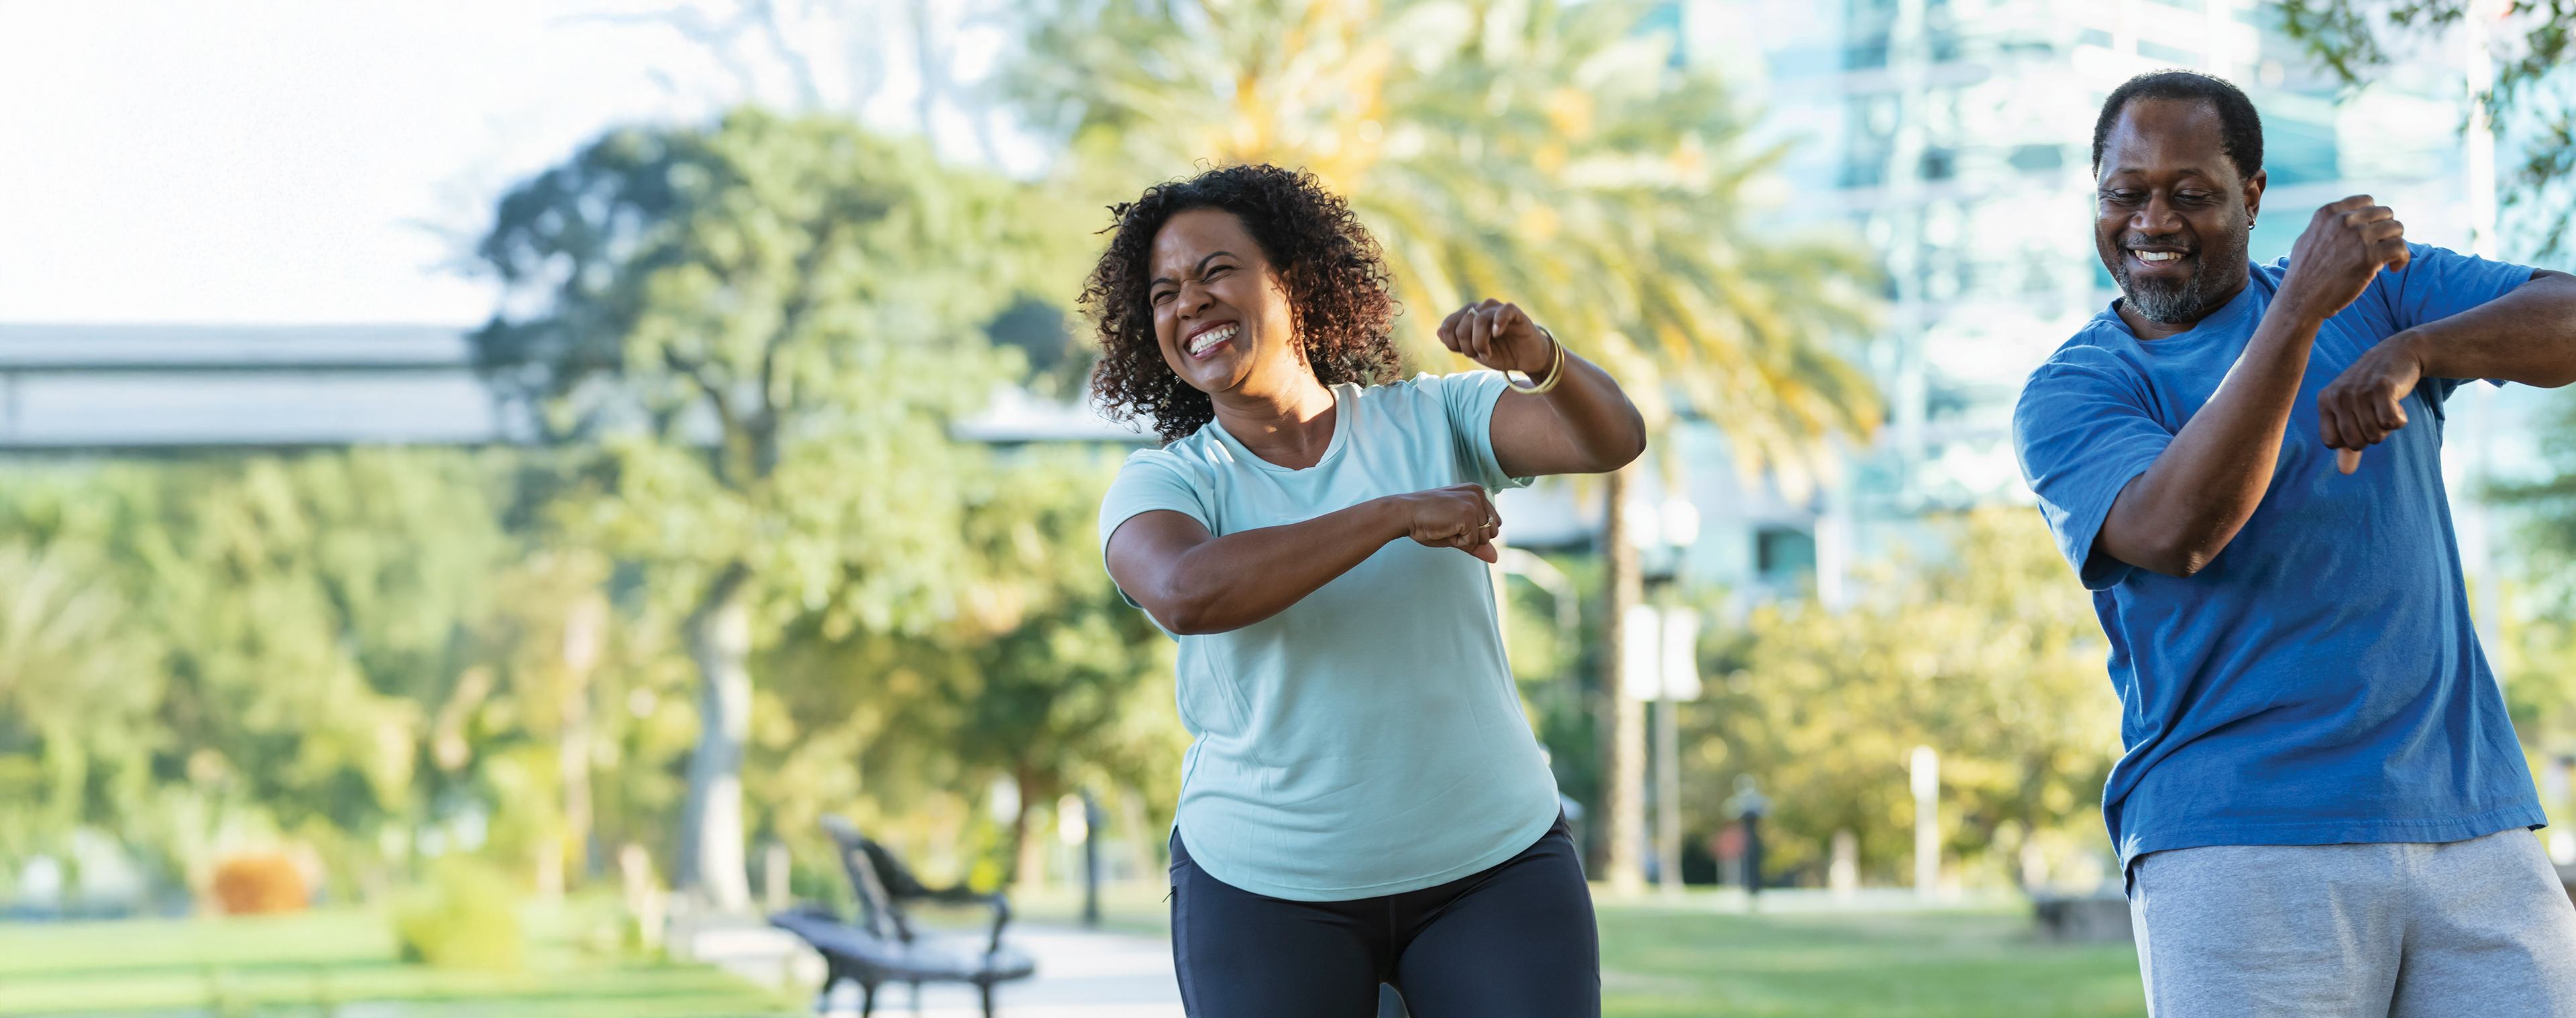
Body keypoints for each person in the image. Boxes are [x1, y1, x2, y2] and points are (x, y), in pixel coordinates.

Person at [2014, 70, 2576, 1015]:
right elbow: (2177, 531)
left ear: (2254, 197)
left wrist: (2421, 349)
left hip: (2474, 824)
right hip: (2239, 839)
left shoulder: (2381, 300)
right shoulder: (2075, 390)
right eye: (2125, 193)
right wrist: (2297, 313)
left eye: (2191, 193)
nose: (2153, 218)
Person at [1085, 164, 1646, 1016]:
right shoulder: (1165, 484)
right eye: (1163, 292)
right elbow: (1188, 594)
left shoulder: (1435, 420)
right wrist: (1391, 516)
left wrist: (1544, 361)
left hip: (1490, 865)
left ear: (1296, 281)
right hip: (1265, 887)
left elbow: (1609, 439)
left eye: (1216, 272)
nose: (1188, 303)